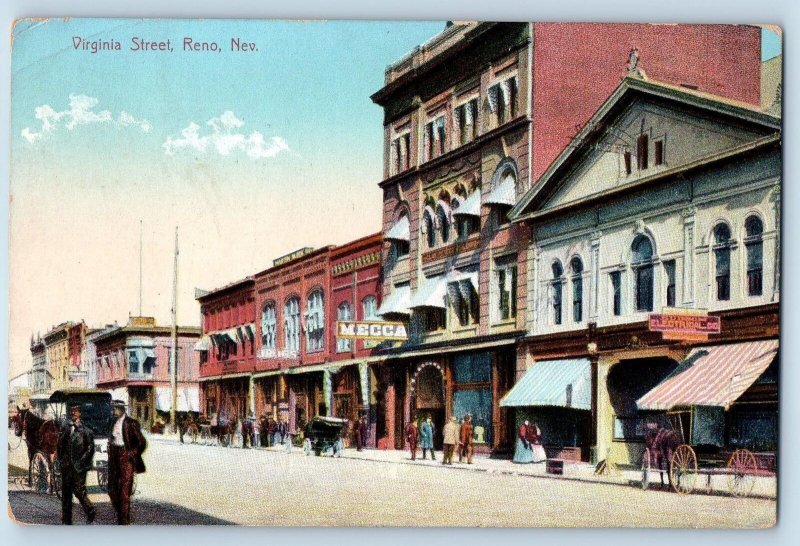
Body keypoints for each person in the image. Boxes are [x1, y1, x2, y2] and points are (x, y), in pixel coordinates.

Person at [107, 399, 147, 525]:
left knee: (125, 490)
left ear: (121, 409)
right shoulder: (113, 422)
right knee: (112, 488)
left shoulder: (131, 423)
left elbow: (142, 442)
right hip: (114, 455)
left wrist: (131, 453)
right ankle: (120, 513)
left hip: (126, 457)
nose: (113, 411)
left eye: (115, 408)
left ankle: (123, 521)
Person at [57, 404, 96, 525]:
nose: (73, 413)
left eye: (76, 411)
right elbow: (60, 445)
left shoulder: (86, 431)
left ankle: (90, 510)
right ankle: (66, 520)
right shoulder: (66, 427)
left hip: (79, 467)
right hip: (66, 466)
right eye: (72, 411)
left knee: (79, 492)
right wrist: (60, 460)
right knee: (66, 493)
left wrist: (81, 462)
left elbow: (90, 449)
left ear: (80, 414)